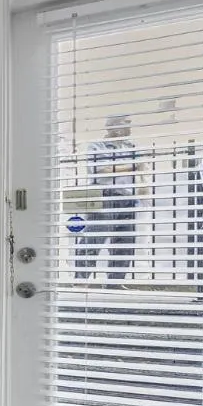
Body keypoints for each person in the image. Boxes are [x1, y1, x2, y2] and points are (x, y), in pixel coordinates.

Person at [76, 114, 142, 285]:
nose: (129, 127)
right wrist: (131, 167)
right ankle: (81, 280)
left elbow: (141, 171)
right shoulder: (98, 147)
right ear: (115, 127)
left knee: (124, 243)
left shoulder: (131, 147)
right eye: (126, 123)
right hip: (104, 196)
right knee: (94, 238)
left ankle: (115, 283)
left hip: (127, 198)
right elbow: (101, 170)